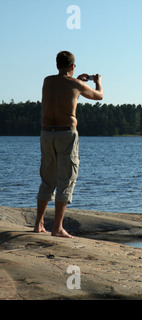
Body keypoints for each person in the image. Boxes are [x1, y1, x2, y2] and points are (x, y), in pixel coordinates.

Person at [34, 51, 103, 238]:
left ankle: (39, 224)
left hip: (47, 133)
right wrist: (97, 81)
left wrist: (77, 81)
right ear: (73, 66)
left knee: (47, 179)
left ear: (57, 65)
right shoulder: (76, 84)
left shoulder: (47, 81)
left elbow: (65, 88)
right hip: (66, 133)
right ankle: (57, 228)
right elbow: (99, 96)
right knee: (66, 180)